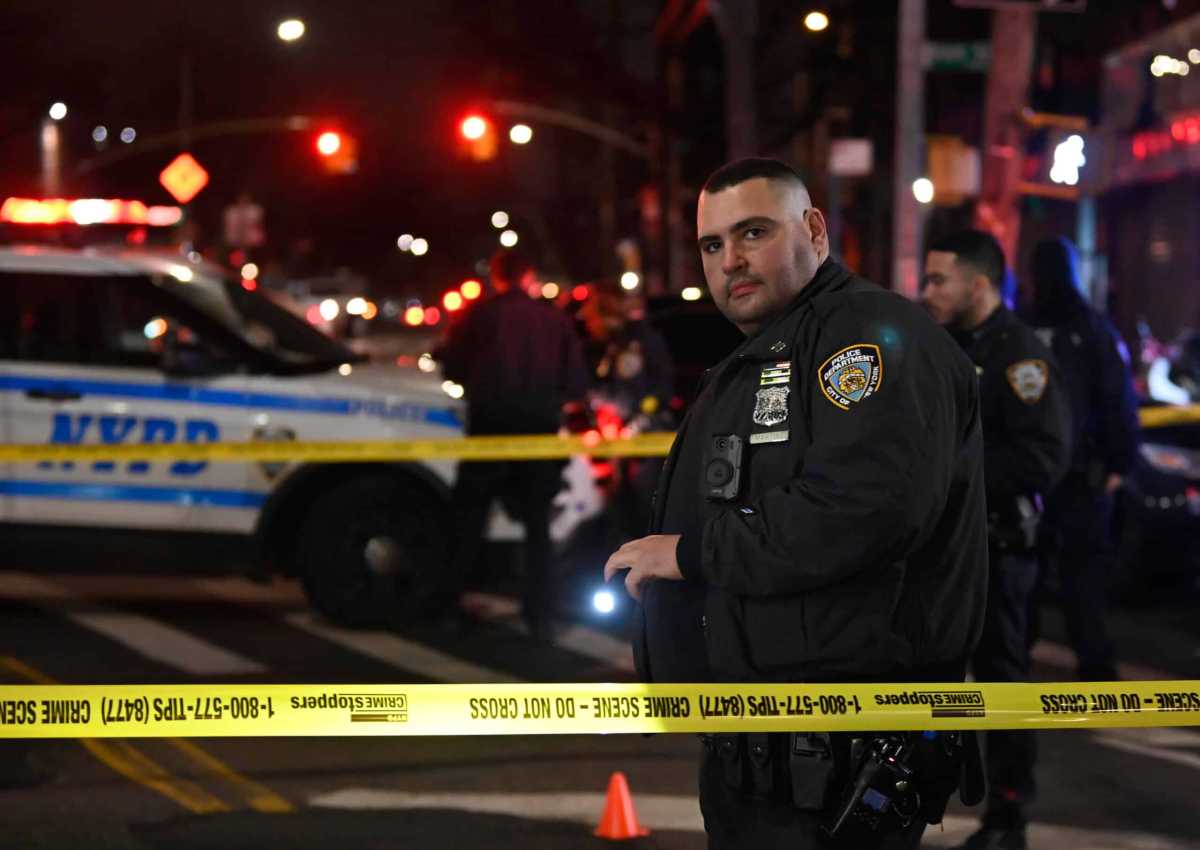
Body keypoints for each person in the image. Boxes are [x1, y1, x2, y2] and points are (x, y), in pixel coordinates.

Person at [603, 157, 989, 849]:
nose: (730, 260)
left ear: (814, 228)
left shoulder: (867, 341)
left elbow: (863, 510)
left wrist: (691, 555)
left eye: (753, 232)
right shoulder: (769, 352)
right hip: (759, 755)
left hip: (835, 766)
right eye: (712, 245)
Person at [923, 230, 1073, 850]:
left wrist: (955, 476)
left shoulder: (1021, 357)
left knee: (1002, 687)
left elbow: (1043, 455)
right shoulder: (941, 346)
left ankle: (1008, 816)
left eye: (939, 280)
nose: (926, 291)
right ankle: (917, 799)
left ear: (978, 285)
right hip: (939, 554)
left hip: (997, 552)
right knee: (927, 682)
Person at [438, 250, 588, 640]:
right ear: (529, 276)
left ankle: (449, 604)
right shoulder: (553, 320)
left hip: (488, 432)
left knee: (468, 520)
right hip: (538, 434)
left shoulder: (478, 316)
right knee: (539, 526)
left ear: (498, 277)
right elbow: (575, 383)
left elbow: (451, 367)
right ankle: (540, 614)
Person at [1023, 237, 1140, 682]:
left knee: (1025, 582)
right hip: (1079, 477)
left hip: (1035, 476)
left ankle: (1014, 673)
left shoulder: (1022, 328)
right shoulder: (1092, 329)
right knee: (1082, 586)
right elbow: (1117, 401)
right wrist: (1118, 464)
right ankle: (1096, 676)